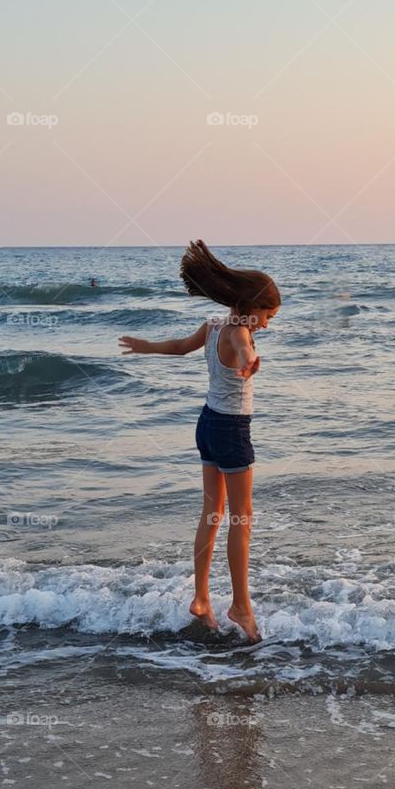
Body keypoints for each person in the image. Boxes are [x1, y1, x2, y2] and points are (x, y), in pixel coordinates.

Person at [118, 240, 281, 642]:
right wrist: (248, 360)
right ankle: (241, 605)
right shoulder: (239, 333)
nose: (267, 324)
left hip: (206, 425)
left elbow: (178, 348)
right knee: (241, 519)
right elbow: (242, 348)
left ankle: (201, 598)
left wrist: (145, 347)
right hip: (231, 431)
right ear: (252, 305)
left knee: (211, 514)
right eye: (268, 315)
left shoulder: (213, 324)